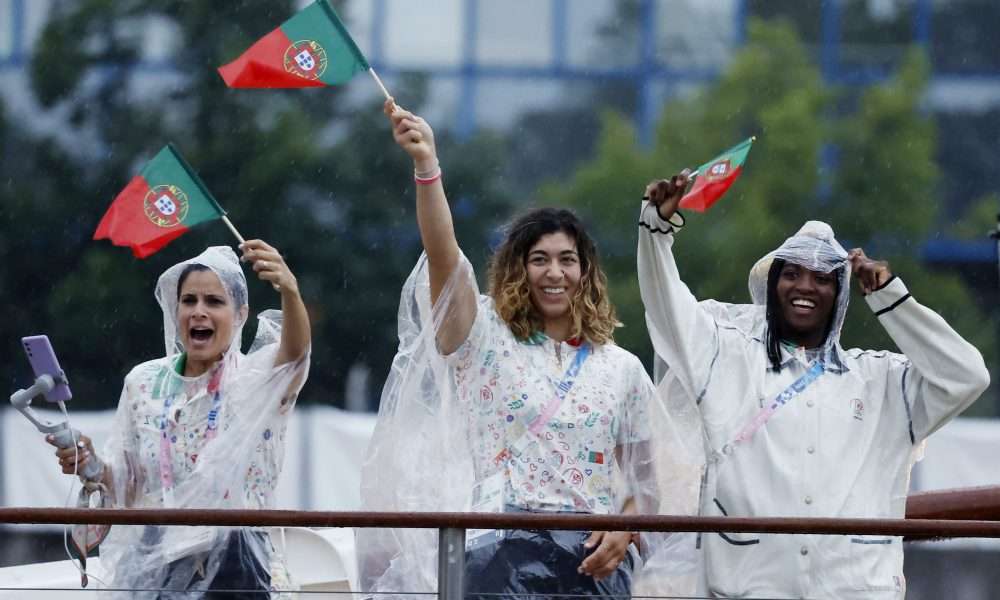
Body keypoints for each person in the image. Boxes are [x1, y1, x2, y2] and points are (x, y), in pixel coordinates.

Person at [357, 100, 703, 599]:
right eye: (538, 259)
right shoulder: (484, 340)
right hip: (499, 554)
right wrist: (427, 167)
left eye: (567, 259)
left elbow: (644, 486)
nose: (554, 273)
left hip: (592, 565)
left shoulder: (622, 369)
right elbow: (444, 257)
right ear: (518, 270)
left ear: (585, 272)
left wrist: (627, 528)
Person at [637, 171, 990, 599]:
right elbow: (666, 308)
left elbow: (967, 375)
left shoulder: (881, 381)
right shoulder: (728, 360)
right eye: (792, 274)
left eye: (823, 278)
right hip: (746, 590)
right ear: (772, 286)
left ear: (840, 296)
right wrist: (655, 229)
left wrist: (889, 297)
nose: (805, 286)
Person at [49, 241, 310, 598]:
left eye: (214, 302)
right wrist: (89, 463)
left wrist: (290, 290)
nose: (199, 312)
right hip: (155, 561)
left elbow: (295, 357)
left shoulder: (254, 382)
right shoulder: (144, 383)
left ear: (240, 314)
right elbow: (128, 487)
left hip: (238, 564)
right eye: (189, 301)